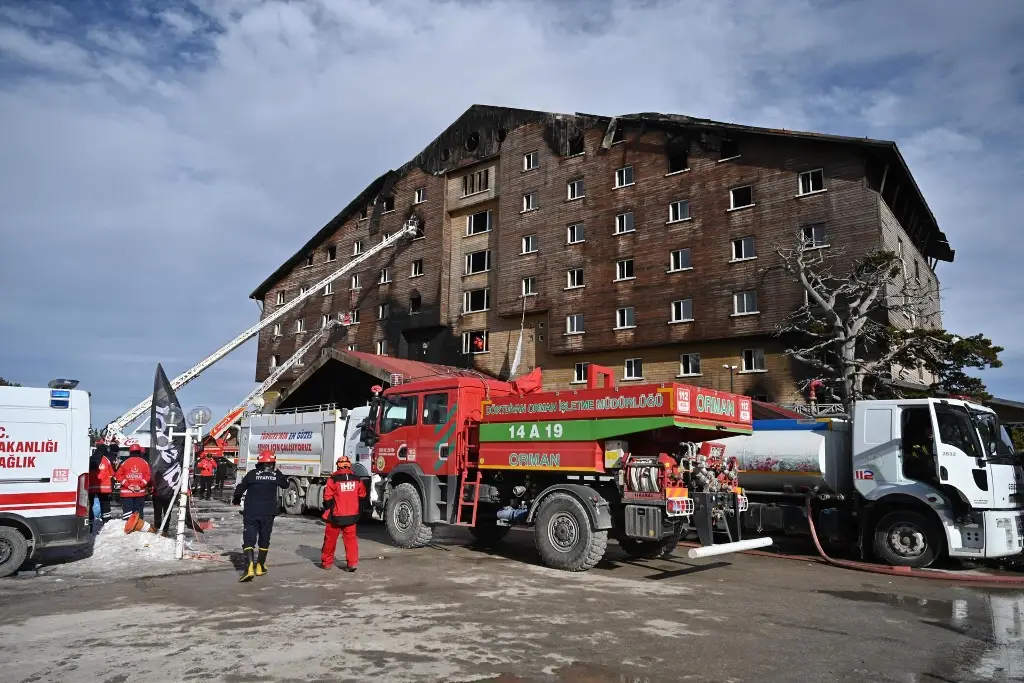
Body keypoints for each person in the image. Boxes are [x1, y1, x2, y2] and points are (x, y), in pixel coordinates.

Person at [231, 450, 288, 582]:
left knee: (249, 539)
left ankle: (249, 568)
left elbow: (240, 489)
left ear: (259, 462)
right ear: (273, 462)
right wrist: (278, 472)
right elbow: (286, 484)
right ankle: (260, 566)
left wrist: (236, 500)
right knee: (264, 538)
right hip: (268, 513)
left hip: (251, 512)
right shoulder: (275, 476)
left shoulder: (252, 474)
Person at [320, 455, 367, 572]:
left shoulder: (333, 479)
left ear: (338, 465)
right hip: (352, 516)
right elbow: (362, 495)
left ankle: (327, 563)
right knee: (350, 540)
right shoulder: (357, 479)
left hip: (335, 517)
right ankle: (352, 564)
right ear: (349, 465)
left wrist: (329, 508)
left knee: (330, 540)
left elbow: (327, 498)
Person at [115, 444, 151, 520]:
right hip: (140, 492)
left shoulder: (124, 462)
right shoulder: (145, 462)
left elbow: (118, 475)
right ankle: (138, 527)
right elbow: (148, 476)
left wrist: (127, 485)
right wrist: (140, 485)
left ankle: (128, 528)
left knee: (127, 513)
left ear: (130, 452)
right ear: (140, 451)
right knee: (138, 512)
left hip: (126, 492)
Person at [88, 442, 115, 523]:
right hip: (104, 487)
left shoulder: (90, 459)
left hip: (91, 487)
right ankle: (106, 522)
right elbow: (112, 473)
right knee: (105, 505)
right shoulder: (106, 460)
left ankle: (90, 521)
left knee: (90, 505)